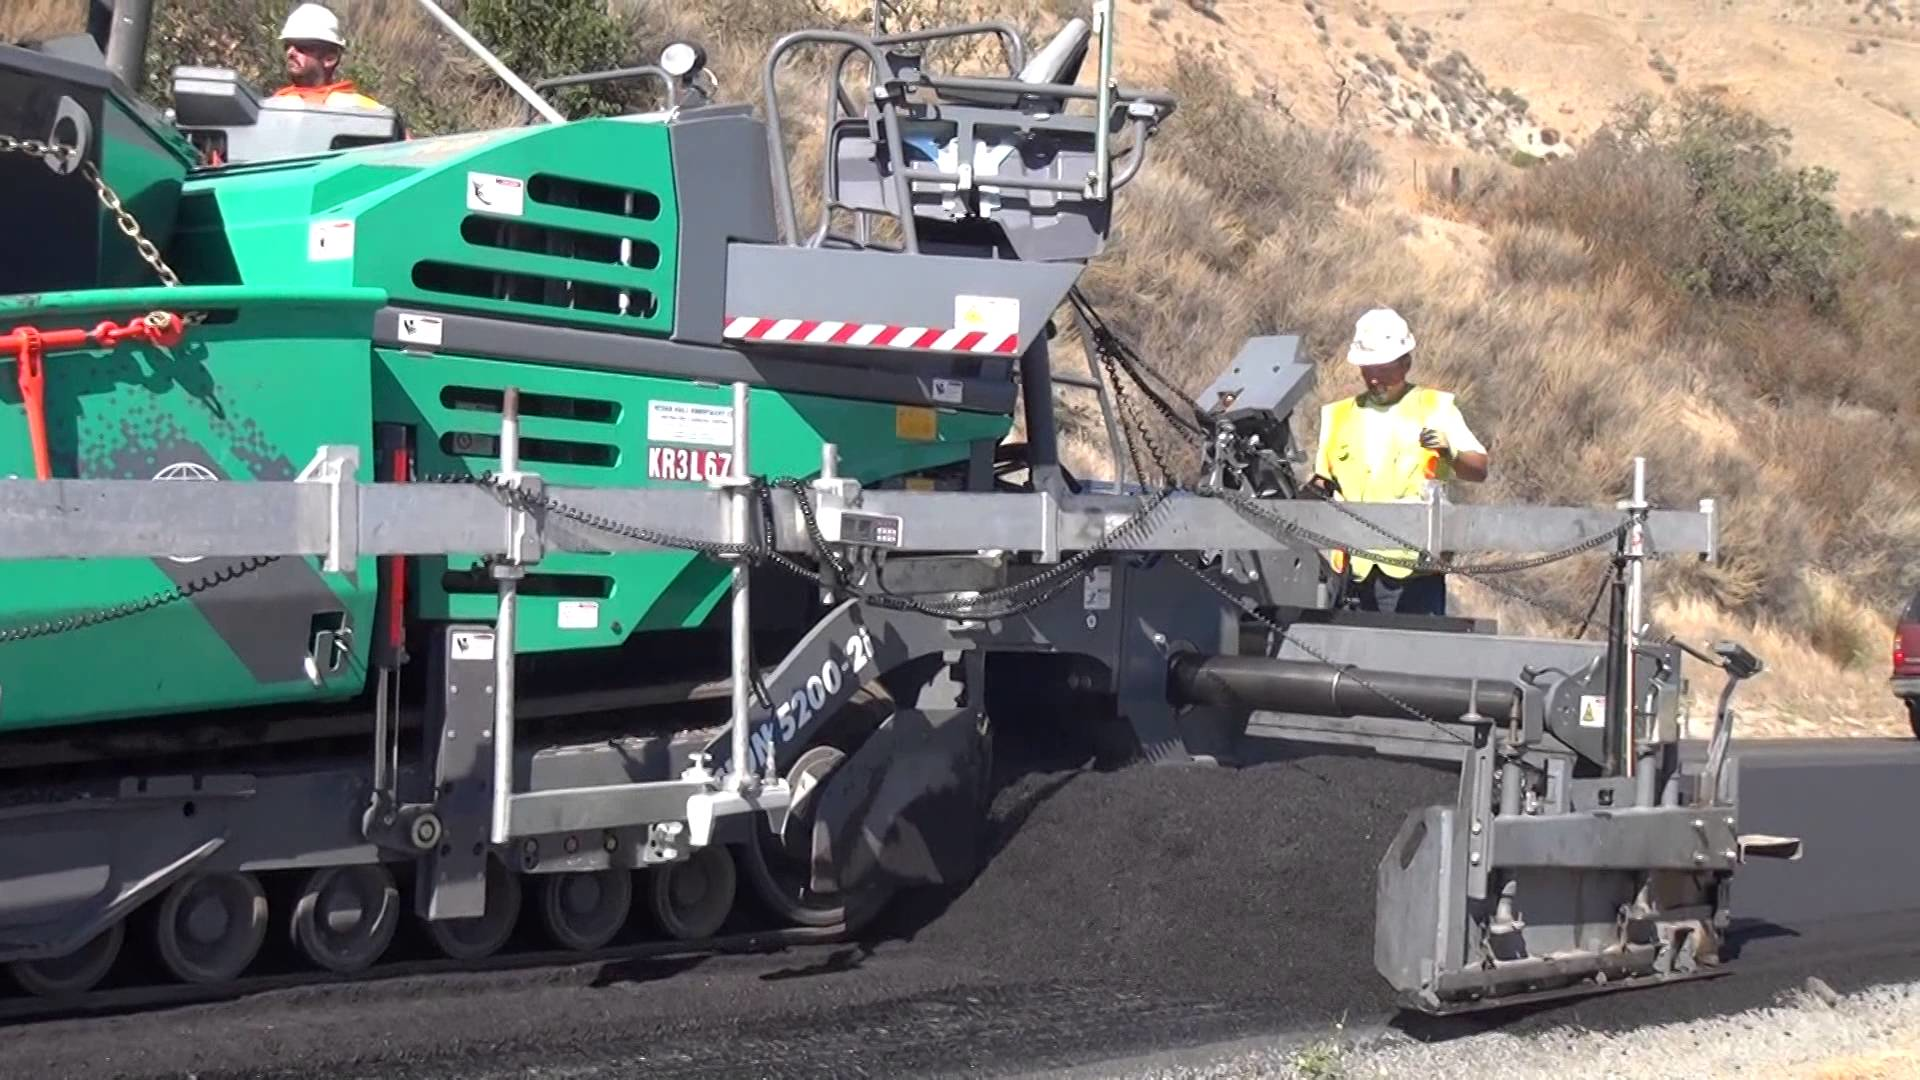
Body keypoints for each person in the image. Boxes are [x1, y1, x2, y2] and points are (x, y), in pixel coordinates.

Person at [1307, 307, 1490, 617]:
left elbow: (1478, 469)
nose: (1375, 378)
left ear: (1406, 362)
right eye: (1368, 368)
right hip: (1355, 572)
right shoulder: (1338, 416)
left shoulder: (1435, 407)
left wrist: (1450, 453)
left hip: (1414, 572)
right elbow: (1323, 482)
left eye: (1384, 368)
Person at [270, 3, 386, 110]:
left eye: (302, 46)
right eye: (287, 45)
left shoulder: (365, 109)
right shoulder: (272, 106)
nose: (290, 52)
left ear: (330, 59)